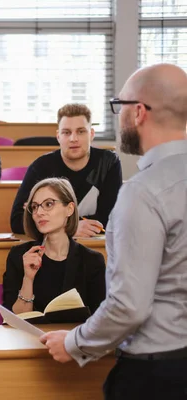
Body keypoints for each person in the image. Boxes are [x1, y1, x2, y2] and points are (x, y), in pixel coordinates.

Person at [41, 64, 187, 399]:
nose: (118, 117)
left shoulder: (143, 192)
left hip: (158, 374)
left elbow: (129, 306)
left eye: (119, 107)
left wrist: (75, 342)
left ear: (138, 112)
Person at [10, 103, 122, 237]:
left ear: (91, 134)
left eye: (81, 131)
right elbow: (18, 220)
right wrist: (69, 228)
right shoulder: (41, 166)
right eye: (66, 132)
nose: (73, 139)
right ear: (58, 136)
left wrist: (50, 219)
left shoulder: (108, 163)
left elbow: (110, 218)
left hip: (94, 245)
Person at [2, 178, 105, 315]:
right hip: (29, 335)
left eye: (48, 204)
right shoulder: (19, 255)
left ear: (69, 209)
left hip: (72, 335)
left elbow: (99, 319)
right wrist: (28, 278)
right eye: (34, 207)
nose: (39, 212)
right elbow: (15, 318)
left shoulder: (92, 260)